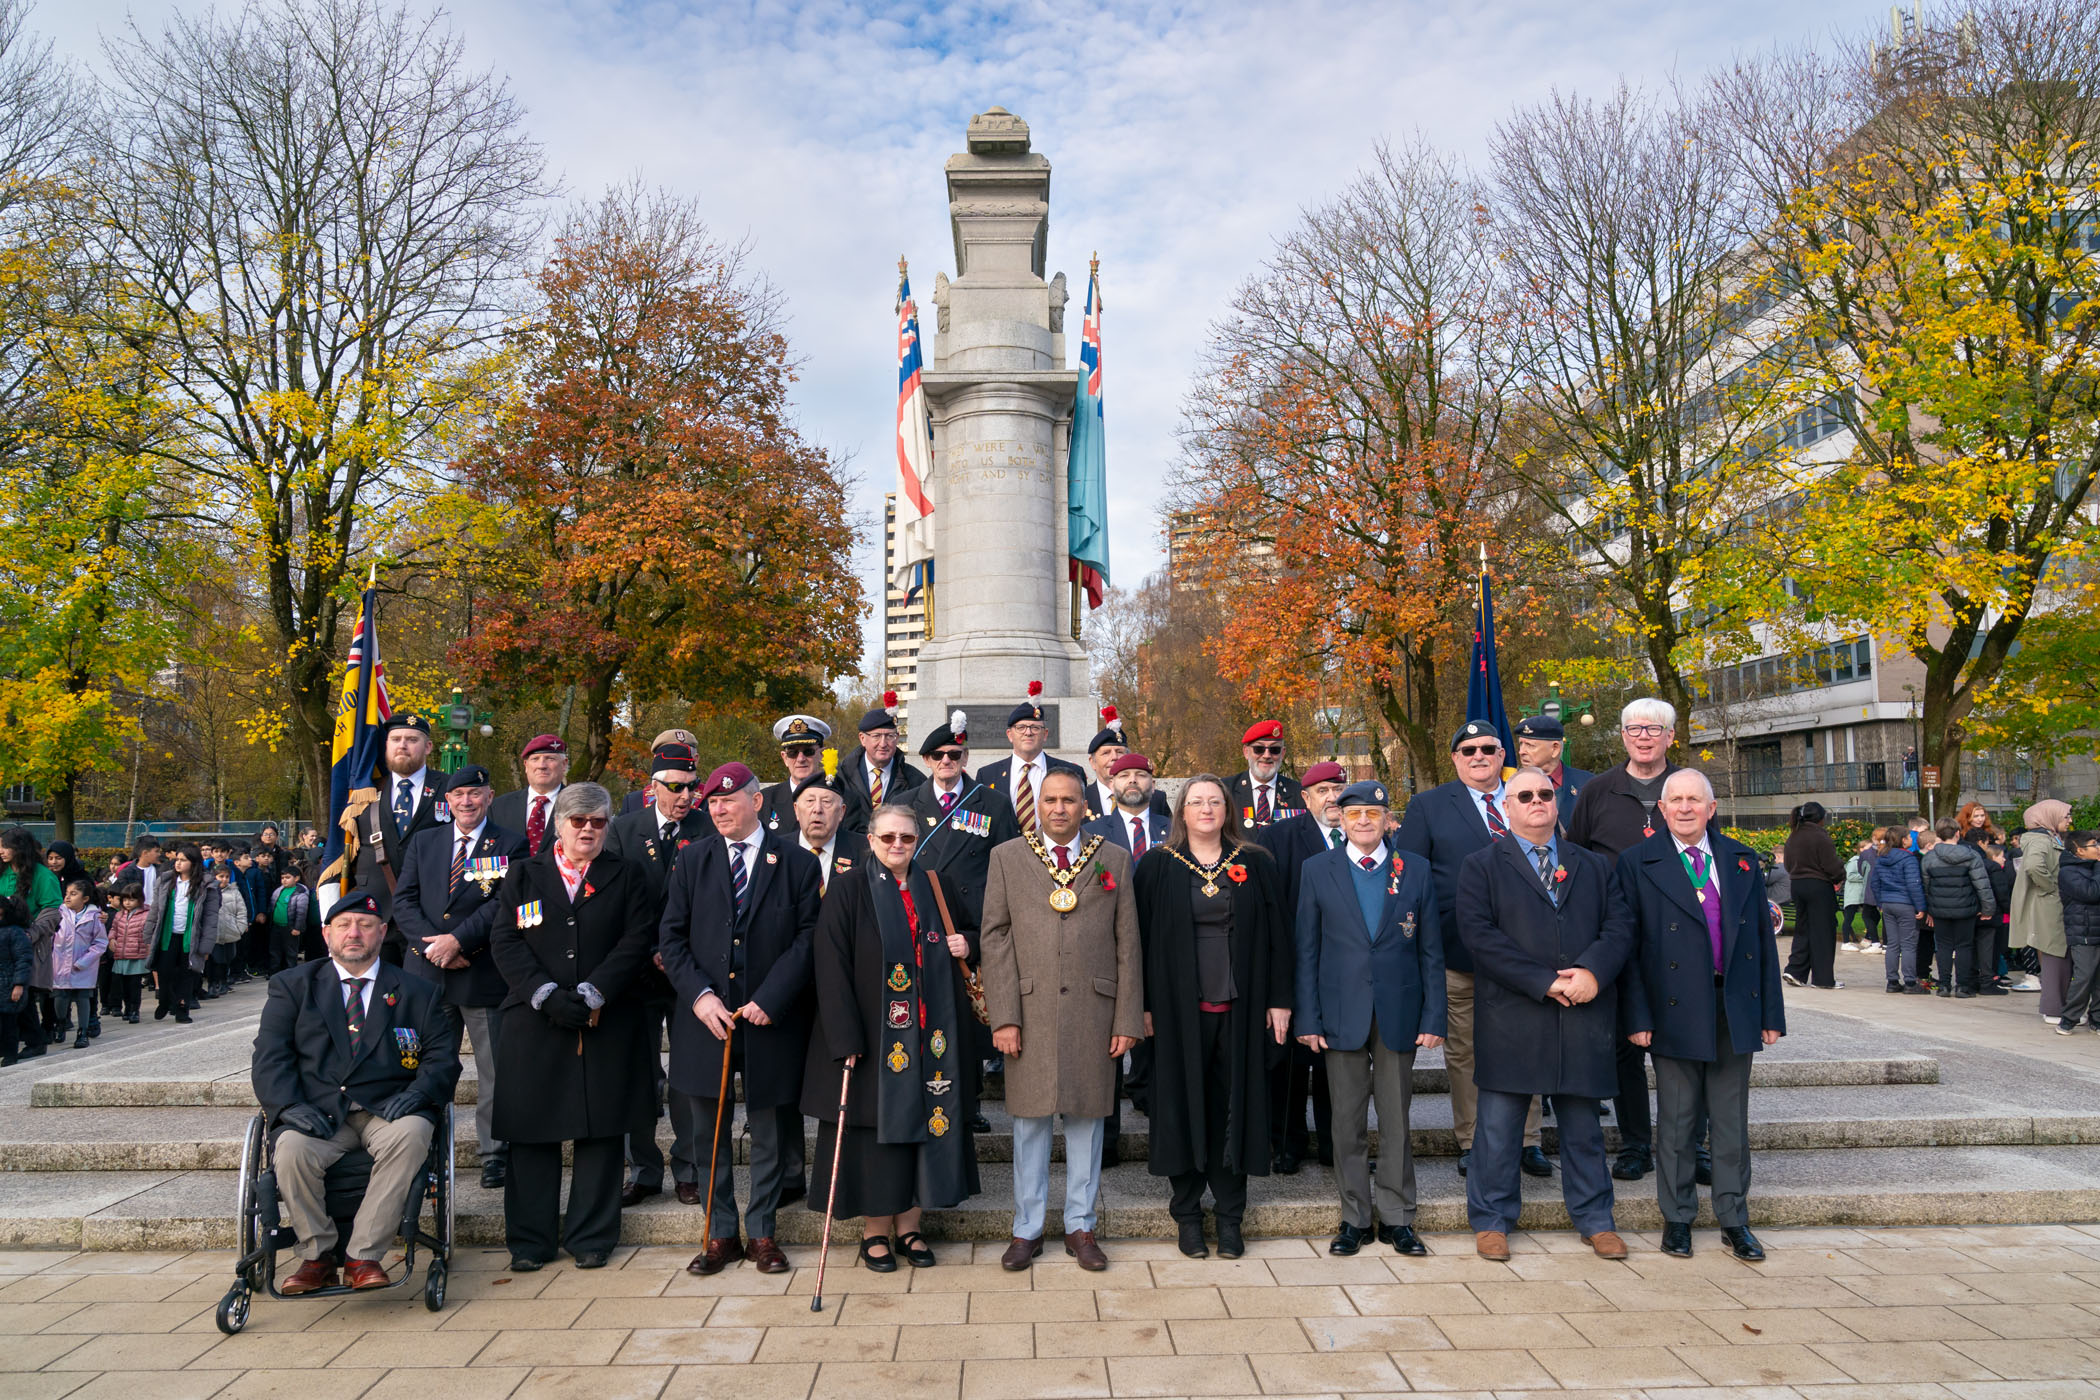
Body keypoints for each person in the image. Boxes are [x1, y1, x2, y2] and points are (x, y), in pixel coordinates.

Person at [1456, 765, 1635, 1261]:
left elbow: (1619, 926)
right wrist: (1544, 981)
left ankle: (1596, 1219)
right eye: (1525, 795)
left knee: (1583, 1128)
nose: (1537, 801)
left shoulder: (1594, 866)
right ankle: (1491, 1219)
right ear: (1506, 808)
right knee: (1497, 1129)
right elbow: (1479, 936)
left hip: (1582, 1011)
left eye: (1545, 794)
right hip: (1514, 1013)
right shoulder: (1481, 866)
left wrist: (1592, 974)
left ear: (1557, 803)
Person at [251, 890, 463, 1293]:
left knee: (414, 1134)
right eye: (344, 925)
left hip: (387, 1110)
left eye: (365, 925)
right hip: (318, 1111)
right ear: (327, 933)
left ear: (382, 933)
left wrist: (420, 1094)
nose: (354, 934)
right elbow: (270, 1055)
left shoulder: (418, 991)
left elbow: (443, 1058)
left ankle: (363, 1256)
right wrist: (288, 1105)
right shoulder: (293, 985)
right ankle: (316, 1256)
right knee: (291, 1150)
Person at [658, 762, 822, 1276]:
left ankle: (764, 1233)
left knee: (772, 1129)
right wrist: (701, 996)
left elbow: (807, 937)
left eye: (729, 800)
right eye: (712, 803)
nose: (719, 809)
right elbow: (672, 938)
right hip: (708, 1021)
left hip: (770, 1019)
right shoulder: (692, 861)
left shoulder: (796, 862)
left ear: (757, 802)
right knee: (708, 1131)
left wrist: (771, 997)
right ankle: (720, 1232)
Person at [489, 783, 658, 1271]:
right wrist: (544, 994)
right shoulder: (524, 874)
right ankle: (529, 1241)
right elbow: (506, 940)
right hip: (534, 1019)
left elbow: (635, 939)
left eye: (598, 822)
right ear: (558, 825)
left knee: (601, 1133)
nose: (587, 830)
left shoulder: (627, 875)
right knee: (532, 1134)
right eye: (578, 821)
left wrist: (591, 992)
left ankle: (591, 1238)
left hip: (604, 1019)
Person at [805, 802, 980, 1271]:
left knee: (925, 1130)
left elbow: (971, 935)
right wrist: (845, 1039)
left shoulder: (936, 887)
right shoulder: (847, 890)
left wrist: (968, 942)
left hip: (933, 1037)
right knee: (878, 1140)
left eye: (906, 838)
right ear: (870, 840)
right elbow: (830, 966)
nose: (898, 846)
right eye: (888, 838)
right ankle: (875, 1232)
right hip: (874, 1040)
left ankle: (911, 1227)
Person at [980, 766, 1142, 1272]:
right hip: (1026, 1013)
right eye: (1050, 799)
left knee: (1087, 1124)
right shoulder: (1007, 857)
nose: (1058, 808)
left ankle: (1080, 1225)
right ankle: (1026, 1229)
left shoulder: (1112, 858)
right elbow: (995, 938)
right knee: (1028, 1124)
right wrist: (1004, 1015)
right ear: (1037, 804)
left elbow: (1128, 942)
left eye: (1069, 800)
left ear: (1083, 806)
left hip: (1094, 1014)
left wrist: (1126, 1019)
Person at [1619, 769, 1785, 1263]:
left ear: (1711, 809)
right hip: (1671, 1009)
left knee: (1731, 1120)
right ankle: (1678, 1218)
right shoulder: (1636, 862)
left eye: (1695, 799)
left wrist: (1770, 1013)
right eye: (1677, 800)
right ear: (1662, 810)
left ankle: (1735, 1219)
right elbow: (1627, 950)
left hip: (1732, 1006)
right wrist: (1637, 1015)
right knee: (1677, 1119)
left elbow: (1759, 940)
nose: (1686, 808)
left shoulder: (1739, 860)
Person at [1133, 774, 1290, 1259]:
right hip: (1177, 1013)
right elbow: (1134, 942)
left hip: (1241, 1010)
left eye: (1215, 802)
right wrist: (1140, 1007)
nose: (1206, 809)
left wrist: (1280, 1001)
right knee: (1182, 1108)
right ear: (1181, 811)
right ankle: (1187, 1217)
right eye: (1196, 802)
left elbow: (1279, 937)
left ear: (1229, 810)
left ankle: (1229, 1218)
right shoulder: (1157, 866)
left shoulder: (1256, 862)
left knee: (1234, 1108)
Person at [1296, 778, 1446, 1257]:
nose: (1363, 821)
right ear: (1340, 819)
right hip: (1340, 1012)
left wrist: (1435, 1016)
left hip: (1399, 1010)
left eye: (1373, 815)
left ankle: (1398, 1217)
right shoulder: (1318, 870)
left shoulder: (1415, 869)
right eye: (1354, 814)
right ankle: (1355, 1217)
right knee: (1346, 1120)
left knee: (1397, 1118)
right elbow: (1307, 950)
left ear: (1387, 821)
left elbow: (1431, 951)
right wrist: (1308, 1018)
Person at [1394, 720, 1548, 1180]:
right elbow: (1412, 877)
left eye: (1488, 748)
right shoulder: (1428, 806)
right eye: (1468, 750)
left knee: (1527, 1043)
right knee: (1464, 1051)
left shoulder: (1528, 797)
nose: (1479, 756)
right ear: (1456, 759)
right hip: (1458, 951)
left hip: (1527, 953)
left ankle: (1528, 1140)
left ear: (1503, 755)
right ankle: (1473, 1139)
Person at [1565, 696, 1686, 1183]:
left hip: (1677, 937)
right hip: (1614, 937)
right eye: (1634, 728)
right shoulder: (1596, 791)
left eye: (1653, 729)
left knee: (1684, 1047)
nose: (1643, 736)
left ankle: (1688, 1145)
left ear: (1670, 737)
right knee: (1623, 1049)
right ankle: (1636, 1143)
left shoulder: (1686, 789)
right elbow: (1572, 861)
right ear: (1622, 736)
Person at [394, 764, 530, 1191]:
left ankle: (494, 1153)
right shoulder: (424, 842)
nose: (467, 802)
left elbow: (505, 904)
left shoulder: (511, 843)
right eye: (459, 795)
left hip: (482, 971)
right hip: (427, 975)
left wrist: (458, 941)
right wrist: (434, 948)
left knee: (495, 1070)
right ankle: (426, 1151)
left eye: (475, 794)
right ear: (446, 802)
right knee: (428, 1067)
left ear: (490, 798)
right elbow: (404, 901)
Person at [605, 741, 714, 1208]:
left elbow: (717, 904)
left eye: (692, 786)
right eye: (675, 787)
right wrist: (649, 949)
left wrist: (679, 952)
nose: (685, 796)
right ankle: (643, 1168)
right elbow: (613, 901)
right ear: (653, 787)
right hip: (637, 973)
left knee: (688, 1077)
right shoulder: (623, 830)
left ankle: (688, 1167)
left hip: (690, 973)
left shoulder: (710, 830)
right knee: (638, 1074)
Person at [907, 711, 1018, 1136]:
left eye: (954, 754)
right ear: (927, 761)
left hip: (972, 925)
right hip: (922, 919)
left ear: (965, 756)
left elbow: (1008, 866)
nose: (947, 762)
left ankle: (968, 1104)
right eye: (938, 755)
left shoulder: (992, 803)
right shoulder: (906, 804)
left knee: (969, 1018)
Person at [1255, 759, 1349, 1174]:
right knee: (1288, 1065)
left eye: (1338, 790)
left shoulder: (1365, 833)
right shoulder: (1277, 837)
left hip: (1346, 972)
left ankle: (1335, 1145)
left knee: (1338, 1063)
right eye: (1323, 791)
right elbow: (1271, 908)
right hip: (1295, 968)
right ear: (1305, 798)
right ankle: (1286, 1144)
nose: (1333, 798)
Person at [348, 713, 449, 937]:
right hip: (374, 912)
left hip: (431, 912)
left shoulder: (451, 789)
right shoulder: (363, 792)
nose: (402, 746)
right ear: (386, 745)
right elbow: (347, 850)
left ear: (428, 747)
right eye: (396, 739)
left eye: (412, 740)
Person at [976, 684, 1086, 837]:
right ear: (1009, 734)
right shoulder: (987, 775)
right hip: (1005, 855)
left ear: (1045, 734)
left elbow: (1081, 821)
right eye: (1021, 727)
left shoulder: (1072, 772)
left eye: (1035, 728)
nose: (1028, 733)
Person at [1920, 818, 1996, 998]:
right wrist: (1988, 908)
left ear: (1938, 835)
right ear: (1957, 833)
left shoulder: (1929, 858)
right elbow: (1982, 885)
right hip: (1965, 907)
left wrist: (1928, 909)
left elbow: (1925, 887)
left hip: (1940, 909)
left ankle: (1944, 985)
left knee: (1944, 946)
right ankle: (1962, 986)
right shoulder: (1971, 855)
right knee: (1964, 946)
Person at [2013, 800, 2073, 1020]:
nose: (2069, 821)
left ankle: (2061, 1007)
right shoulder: (2039, 839)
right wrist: (2050, 887)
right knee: (2054, 955)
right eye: (2065, 816)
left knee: (2060, 955)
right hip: (2049, 905)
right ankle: (2054, 1009)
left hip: (2052, 903)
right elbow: (2033, 866)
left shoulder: (2047, 837)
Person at [146, 844, 218, 1023]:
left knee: (186, 975)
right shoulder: (165, 881)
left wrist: (206, 945)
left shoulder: (207, 885)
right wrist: (148, 933)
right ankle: (164, 1001)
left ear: (193, 863)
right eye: (177, 860)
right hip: (167, 936)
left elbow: (211, 918)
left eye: (183, 860)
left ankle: (182, 1009)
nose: (178, 863)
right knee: (164, 972)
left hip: (190, 937)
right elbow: (155, 909)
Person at [1781, 801, 1845, 990]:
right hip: (1818, 885)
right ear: (1820, 818)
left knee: (1804, 928)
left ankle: (1795, 970)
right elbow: (1831, 864)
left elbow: (1787, 863)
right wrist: (1840, 876)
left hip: (1798, 885)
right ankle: (1823, 979)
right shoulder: (1820, 836)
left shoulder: (1794, 836)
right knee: (1823, 931)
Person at [839, 693, 924, 829]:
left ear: (897, 738)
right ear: (862, 738)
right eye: (876, 736)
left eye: (889, 736)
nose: (883, 744)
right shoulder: (841, 777)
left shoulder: (915, 780)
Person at [1869, 820, 1929, 993]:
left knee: (1893, 944)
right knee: (1909, 944)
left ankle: (1892, 981)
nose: (1912, 839)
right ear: (1903, 840)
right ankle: (1910, 981)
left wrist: (1881, 903)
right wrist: (1920, 907)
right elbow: (1914, 884)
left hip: (1888, 903)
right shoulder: (1908, 858)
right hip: (1905, 903)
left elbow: (1875, 883)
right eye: (1909, 836)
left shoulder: (1882, 857)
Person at [46, 880, 107, 1049]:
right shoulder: (59, 912)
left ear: (85, 898)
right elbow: (50, 937)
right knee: (60, 998)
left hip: (84, 966)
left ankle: (83, 1031)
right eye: (67, 893)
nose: (68, 897)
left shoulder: (95, 915)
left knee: (83, 998)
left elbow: (100, 942)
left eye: (74, 894)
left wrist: (85, 961)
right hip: (59, 964)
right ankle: (60, 1022)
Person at [1083, 706, 1171, 822]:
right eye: (1106, 753)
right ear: (1092, 762)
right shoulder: (1081, 798)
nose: (1114, 757)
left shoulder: (1155, 799)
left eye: (1119, 752)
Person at [492, 733, 569, 856]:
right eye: (535, 759)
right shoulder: (498, 807)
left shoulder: (580, 806)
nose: (541, 765)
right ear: (526, 765)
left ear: (564, 764)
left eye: (550, 758)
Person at [1513, 714, 1592, 831]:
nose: (1521, 752)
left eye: (1530, 745)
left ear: (1555, 749)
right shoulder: (1511, 787)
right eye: (1521, 744)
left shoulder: (1588, 784)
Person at [2055, 830, 2100, 1035]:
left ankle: (2097, 1018)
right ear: (2080, 850)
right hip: (2083, 930)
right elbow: (2090, 893)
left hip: (2096, 928)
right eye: (2094, 845)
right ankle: (2069, 1018)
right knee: (2084, 975)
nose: (2098, 848)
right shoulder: (2069, 871)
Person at [760, 714, 835, 834]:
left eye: (808, 751)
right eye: (792, 753)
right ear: (784, 758)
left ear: (822, 754)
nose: (800, 759)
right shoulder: (764, 801)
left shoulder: (842, 799)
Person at [1227, 720, 1304, 834]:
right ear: (1246, 752)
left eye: (1274, 750)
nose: (1267, 755)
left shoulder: (1300, 793)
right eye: (1259, 749)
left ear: (1282, 753)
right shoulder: (1226, 790)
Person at [105, 882, 152, 1024]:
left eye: (131, 899)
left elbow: (148, 932)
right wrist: (111, 939)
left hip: (136, 954)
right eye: (125, 900)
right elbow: (114, 929)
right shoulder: (120, 915)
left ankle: (134, 1010)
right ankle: (127, 1007)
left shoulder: (146, 914)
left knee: (134, 984)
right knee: (123, 983)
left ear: (139, 899)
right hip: (121, 954)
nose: (127, 903)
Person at [207, 862, 248, 998]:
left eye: (226, 877)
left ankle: (224, 982)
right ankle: (213, 983)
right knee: (215, 959)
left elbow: (241, 911)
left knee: (227, 958)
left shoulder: (234, 892)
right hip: (214, 933)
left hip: (230, 931)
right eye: (220, 876)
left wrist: (239, 928)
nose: (224, 879)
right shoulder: (208, 891)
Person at [1980, 839, 2016, 992]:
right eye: (2001, 856)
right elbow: (2002, 893)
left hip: (1983, 913)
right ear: (1993, 857)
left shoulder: (1981, 868)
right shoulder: (1996, 870)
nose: (2005, 859)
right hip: (1997, 915)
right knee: (1994, 948)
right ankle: (1992, 977)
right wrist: (2010, 909)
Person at [1840, 831, 1884, 952]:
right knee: (1849, 918)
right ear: (1861, 849)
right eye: (1868, 847)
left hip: (1863, 895)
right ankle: (1845, 941)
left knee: (1873, 915)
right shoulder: (1854, 861)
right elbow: (1851, 876)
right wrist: (1866, 877)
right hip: (1854, 895)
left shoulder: (1870, 859)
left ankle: (1869, 938)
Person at [265, 865, 311, 974]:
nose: (284, 880)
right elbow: (273, 906)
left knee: (291, 952)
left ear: (296, 878)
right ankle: (274, 972)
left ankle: (292, 973)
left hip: (290, 927)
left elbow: (301, 912)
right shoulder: (278, 890)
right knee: (274, 950)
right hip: (276, 926)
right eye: (282, 878)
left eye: (288, 877)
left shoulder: (300, 892)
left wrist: (297, 927)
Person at [0, 896, 29, 1064]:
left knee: (9, 1024)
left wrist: (19, 984)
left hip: (9, 983)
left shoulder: (15, 932)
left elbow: (23, 959)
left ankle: (10, 1055)